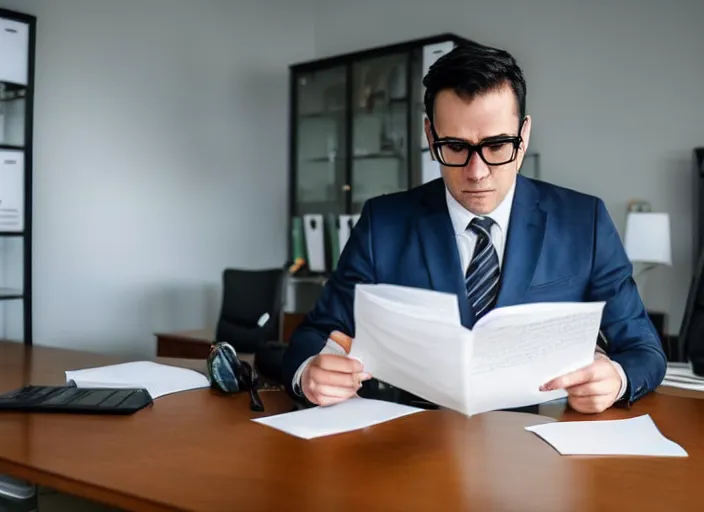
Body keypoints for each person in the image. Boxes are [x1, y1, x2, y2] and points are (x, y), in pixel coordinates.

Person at [282, 40, 667, 414]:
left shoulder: (586, 222)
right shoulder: (383, 223)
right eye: (455, 147)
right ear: (431, 136)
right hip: (414, 441)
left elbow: (643, 350)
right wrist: (310, 372)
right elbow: (315, 334)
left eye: (497, 146)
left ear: (524, 134)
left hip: (539, 442)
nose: (477, 172)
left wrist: (615, 378)